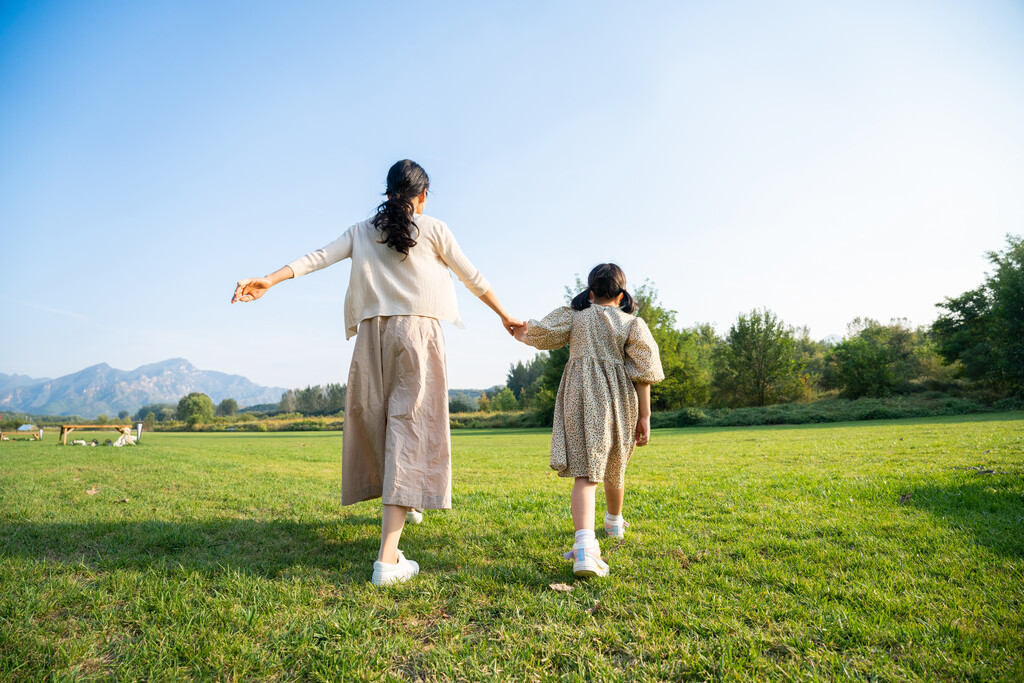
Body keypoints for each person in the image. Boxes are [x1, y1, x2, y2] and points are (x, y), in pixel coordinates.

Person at [232, 160, 521, 585]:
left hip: (372, 335)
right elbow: (472, 277)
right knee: (410, 428)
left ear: (388, 193)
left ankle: (409, 503)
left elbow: (317, 257)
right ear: (421, 197)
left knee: (378, 421)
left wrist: (271, 280)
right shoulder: (434, 228)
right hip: (418, 333)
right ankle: (388, 561)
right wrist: (506, 316)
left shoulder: (362, 230)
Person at [513, 263, 663, 577]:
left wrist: (517, 329)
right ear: (621, 295)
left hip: (576, 397)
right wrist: (645, 416)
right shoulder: (632, 324)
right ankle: (603, 531)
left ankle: (598, 533)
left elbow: (537, 333)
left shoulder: (574, 317)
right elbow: (644, 373)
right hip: (614, 399)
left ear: (591, 293)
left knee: (585, 468)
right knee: (613, 463)